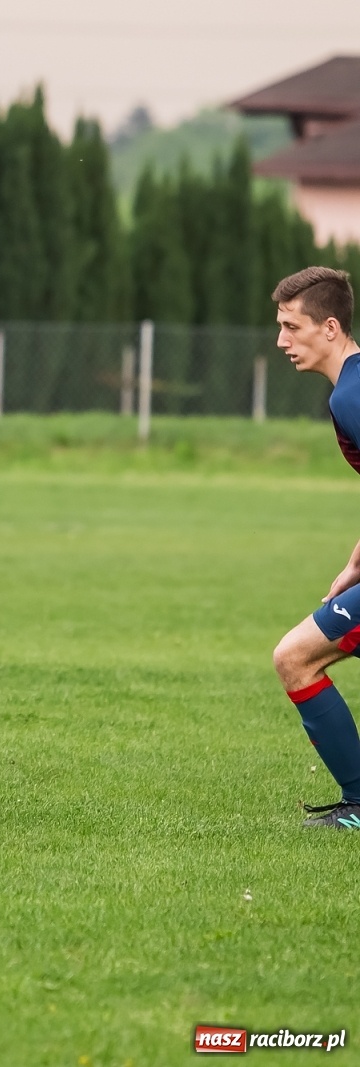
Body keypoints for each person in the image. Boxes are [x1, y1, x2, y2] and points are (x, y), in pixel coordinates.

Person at [270, 266, 360, 828]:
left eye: (290, 326)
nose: (281, 340)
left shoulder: (351, 397)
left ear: (329, 327)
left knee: (295, 657)